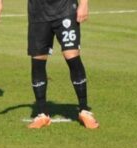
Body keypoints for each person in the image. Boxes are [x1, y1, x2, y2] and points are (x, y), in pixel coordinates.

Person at [27, 0, 98, 129]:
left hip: (65, 9)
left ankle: (84, 111)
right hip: (38, 13)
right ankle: (42, 114)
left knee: (72, 56)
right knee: (38, 60)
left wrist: (84, 4)